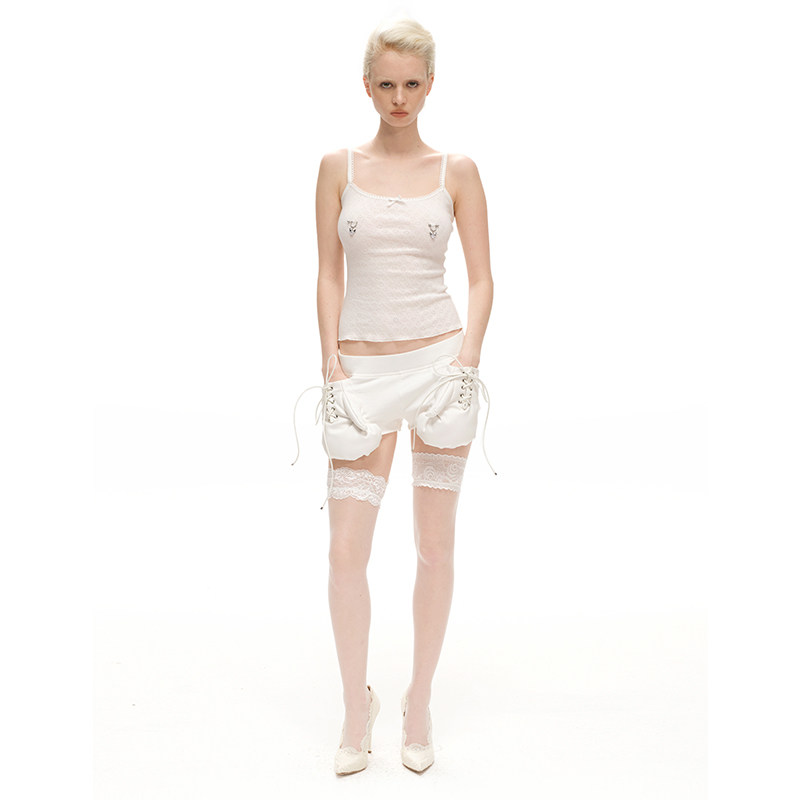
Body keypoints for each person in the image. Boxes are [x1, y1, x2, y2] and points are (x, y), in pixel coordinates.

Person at [291, 16, 496, 774]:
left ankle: (420, 701)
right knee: (346, 552)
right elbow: (327, 272)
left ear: (430, 85)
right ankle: (357, 707)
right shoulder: (336, 168)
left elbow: (482, 278)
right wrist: (330, 361)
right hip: (360, 376)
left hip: (441, 366)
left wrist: (467, 359)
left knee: (435, 546)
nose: (399, 98)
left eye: (412, 83)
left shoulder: (457, 171)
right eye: (387, 84)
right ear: (367, 86)